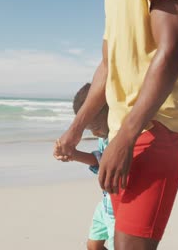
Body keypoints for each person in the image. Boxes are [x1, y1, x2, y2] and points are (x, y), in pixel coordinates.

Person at [55, 0, 178, 249]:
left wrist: (126, 137)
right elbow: (107, 64)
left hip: (158, 122)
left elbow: (172, 50)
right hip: (123, 132)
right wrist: (76, 129)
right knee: (118, 243)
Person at [53, 83, 114, 250]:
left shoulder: (118, 138)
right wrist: (74, 155)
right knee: (93, 245)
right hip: (105, 204)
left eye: (96, 128)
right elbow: (99, 161)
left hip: (119, 211)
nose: (94, 134)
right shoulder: (104, 136)